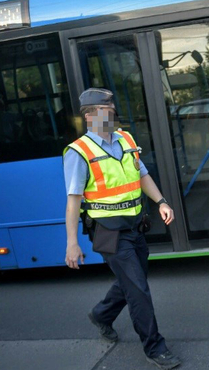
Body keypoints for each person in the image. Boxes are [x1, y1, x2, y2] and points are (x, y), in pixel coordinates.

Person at [63, 88, 181, 370]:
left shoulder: (125, 139)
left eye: (112, 109)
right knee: (138, 288)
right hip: (109, 232)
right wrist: (71, 243)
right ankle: (155, 348)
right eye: (105, 109)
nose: (111, 113)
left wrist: (161, 201)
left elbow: (142, 175)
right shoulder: (79, 152)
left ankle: (102, 315)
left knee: (133, 280)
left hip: (135, 225)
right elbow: (73, 202)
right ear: (90, 115)